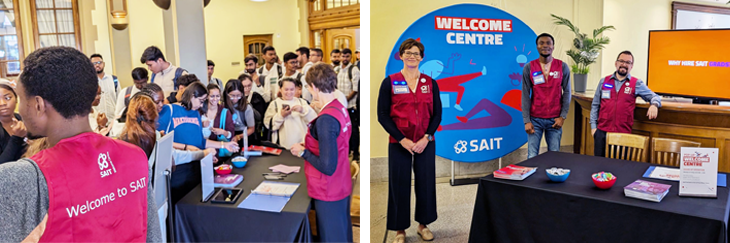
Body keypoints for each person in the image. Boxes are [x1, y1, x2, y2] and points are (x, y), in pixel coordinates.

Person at [0, 46, 161, 242]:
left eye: (20, 100)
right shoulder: (135, 157)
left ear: (38, 105)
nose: (20, 110)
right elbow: (152, 235)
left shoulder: (18, 179)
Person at [377, 38, 441, 243]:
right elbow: (383, 115)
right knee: (399, 184)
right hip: (399, 143)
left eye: (416, 53)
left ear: (422, 58)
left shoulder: (430, 83)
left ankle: (424, 225)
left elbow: (437, 114)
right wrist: (401, 139)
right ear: (401, 55)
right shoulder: (390, 82)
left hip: (425, 142)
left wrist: (427, 137)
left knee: (425, 183)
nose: (412, 56)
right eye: (408, 52)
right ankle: (399, 230)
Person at [290, 63, 353, 242]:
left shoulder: (326, 120)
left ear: (314, 88)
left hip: (329, 188)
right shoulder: (339, 107)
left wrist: (303, 152)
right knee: (341, 233)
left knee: (331, 237)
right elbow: (336, 142)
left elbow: (327, 166)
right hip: (341, 181)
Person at [157, 81, 239, 204]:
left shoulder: (196, 113)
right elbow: (158, 139)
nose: (201, 105)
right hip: (177, 167)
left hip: (195, 165)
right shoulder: (169, 110)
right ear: (192, 96)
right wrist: (185, 147)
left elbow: (200, 142)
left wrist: (224, 145)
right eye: (201, 101)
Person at [591, 50, 661, 157]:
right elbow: (595, 105)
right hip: (602, 132)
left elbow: (654, 96)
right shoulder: (604, 81)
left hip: (622, 134)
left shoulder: (636, 83)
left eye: (628, 62)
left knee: (619, 167)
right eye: (621, 61)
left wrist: (654, 105)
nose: (624, 64)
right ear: (616, 63)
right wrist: (593, 128)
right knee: (599, 166)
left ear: (632, 66)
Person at [522, 33, 571, 159]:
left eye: (548, 43)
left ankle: (551, 178)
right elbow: (525, 95)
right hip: (535, 120)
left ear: (553, 46)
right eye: (541, 43)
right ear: (537, 47)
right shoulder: (529, 67)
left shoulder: (562, 67)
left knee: (554, 155)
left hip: (555, 120)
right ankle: (532, 179)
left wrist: (562, 117)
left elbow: (567, 92)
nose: (545, 46)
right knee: (532, 156)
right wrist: (526, 120)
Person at [264, 77, 316, 149]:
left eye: (292, 89)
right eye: (286, 89)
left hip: (302, 143)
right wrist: (281, 116)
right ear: (280, 89)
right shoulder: (274, 104)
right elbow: (268, 125)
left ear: (295, 89)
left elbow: (313, 121)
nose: (289, 92)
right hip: (282, 145)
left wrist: (303, 110)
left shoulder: (302, 102)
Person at [338, 48, 360, 161]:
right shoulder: (337, 69)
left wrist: (345, 100)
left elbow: (355, 89)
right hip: (339, 106)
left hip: (350, 105)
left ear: (350, 57)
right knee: (342, 130)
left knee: (353, 130)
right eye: (343, 56)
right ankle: (346, 150)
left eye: (347, 56)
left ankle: (356, 152)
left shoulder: (354, 69)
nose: (345, 59)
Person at [203, 83, 235, 155]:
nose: (215, 99)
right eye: (212, 96)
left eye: (217, 96)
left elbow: (231, 134)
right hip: (202, 151)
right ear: (207, 96)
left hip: (218, 152)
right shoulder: (199, 111)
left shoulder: (225, 112)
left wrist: (223, 132)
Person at [0, 79, 27, 164]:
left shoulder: (25, 120)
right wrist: (16, 138)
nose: (2, 103)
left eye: (7, 98)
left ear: (16, 99)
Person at [223, 79, 257, 147]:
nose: (235, 98)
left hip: (243, 136)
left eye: (238, 95)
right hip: (227, 135)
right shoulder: (223, 107)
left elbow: (251, 129)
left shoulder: (247, 108)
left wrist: (238, 137)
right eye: (232, 95)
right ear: (227, 94)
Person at [90, 53, 119, 126]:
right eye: (94, 63)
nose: (97, 65)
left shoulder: (114, 79)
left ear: (104, 64)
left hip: (113, 122)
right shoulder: (88, 82)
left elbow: (119, 100)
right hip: (96, 123)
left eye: (99, 62)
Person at [238, 73, 266, 145]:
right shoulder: (236, 98)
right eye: (244, 86)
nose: (247, 89)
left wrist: (248, 105)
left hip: (254, 132)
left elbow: (260, 116)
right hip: (239, 132)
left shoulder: (257, 97)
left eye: (249, 85)